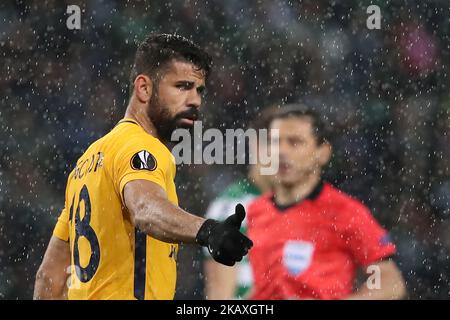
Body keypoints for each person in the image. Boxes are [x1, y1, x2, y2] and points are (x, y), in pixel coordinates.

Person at [33, 33, 253, 300]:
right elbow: (146, 209)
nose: (195, 100)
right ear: (144, 88)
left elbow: (49, 275)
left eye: (199, 90)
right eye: (183, 86)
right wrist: (208, 231)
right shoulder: (141, 146)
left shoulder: (89, 160)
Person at [247, 104, 406, 300]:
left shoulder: (346, 212)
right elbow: (266, 286)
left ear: (322, 153)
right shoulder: (256, 210)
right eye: (274, 142)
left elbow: (390, 283)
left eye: (294, 142)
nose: (281, 151)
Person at [204, 108, 274, 300]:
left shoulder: (300, 207)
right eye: (273, 143)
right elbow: (221, 296)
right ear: (255, 145)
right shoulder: (231, 207)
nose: (281, 154)